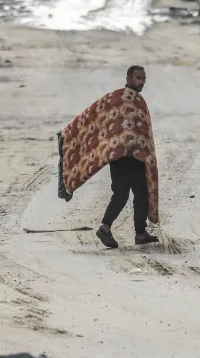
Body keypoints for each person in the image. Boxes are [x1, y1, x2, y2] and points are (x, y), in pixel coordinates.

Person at [57, 66, 160, 248]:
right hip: (125, 155)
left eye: (143, 79)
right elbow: (94, 118)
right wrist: (69, 134)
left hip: (127, 155)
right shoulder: (117, 97)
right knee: (136, 193)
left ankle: (109, 227)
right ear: (128, 78)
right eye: (138, 78)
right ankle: (137, 233)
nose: (141, 82)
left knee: (125, 193)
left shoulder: (135, 100)